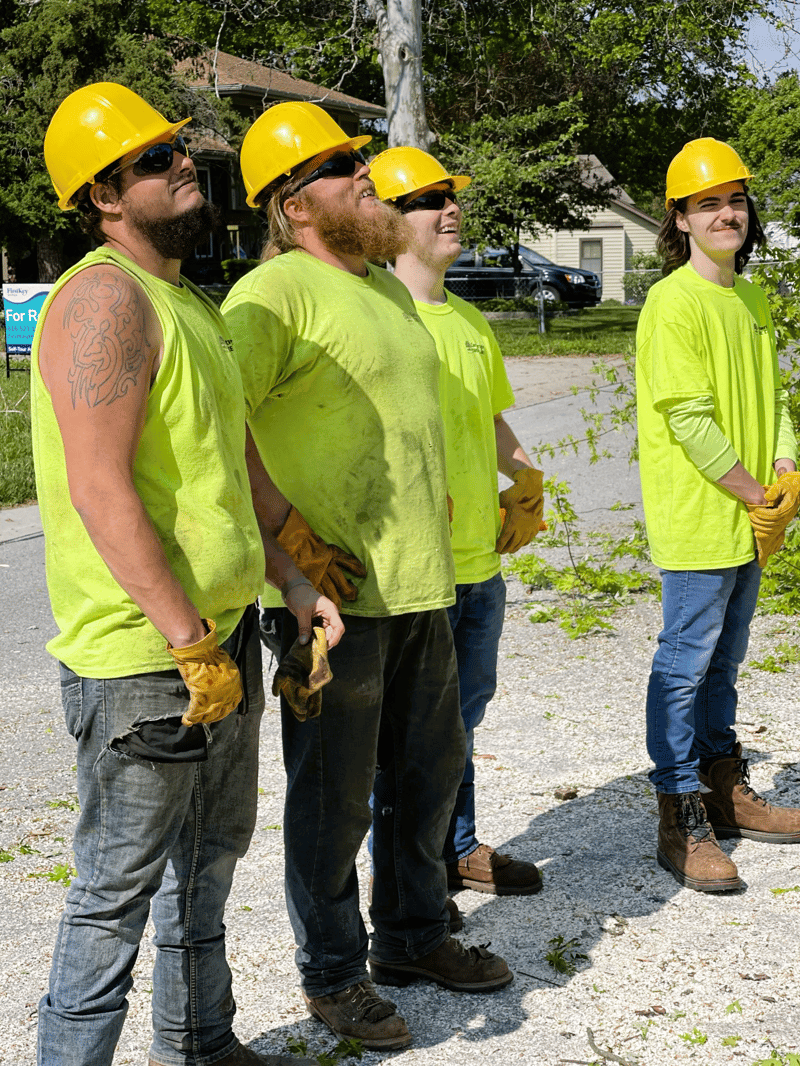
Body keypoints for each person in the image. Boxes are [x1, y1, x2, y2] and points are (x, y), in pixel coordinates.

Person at [33, 82, 343, 1066]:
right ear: (102, 196)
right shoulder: (101, 301)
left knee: (206, 869)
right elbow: (99, 488)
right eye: (153, 161)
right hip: (147, 662)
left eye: (178, 152)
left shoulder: (184, 304)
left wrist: (296, 581)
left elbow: (236, 463)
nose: (181, 167)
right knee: (114, 893)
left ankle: (202, 1044)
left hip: (223, 645)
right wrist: (185, 641)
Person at [222, 101, 513, 1052]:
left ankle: (414, 937)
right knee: (333, 800)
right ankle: (335, 976)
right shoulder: (272, 297)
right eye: (344, 166)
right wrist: (289, 541)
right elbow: (222, 432)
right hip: (335, 601)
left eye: (360, 160)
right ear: (292, 203)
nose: (366, 176)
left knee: (430, 776)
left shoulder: (384, 290)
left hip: (422, 583)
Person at [370, 146, 545, 896]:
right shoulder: (380, 317)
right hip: (420, 573)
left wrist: (527, 477)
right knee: (411, 737)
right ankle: (408, 878)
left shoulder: (470, 320)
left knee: (462, 723)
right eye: (425, 200)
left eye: (451, 197)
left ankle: (457, 844)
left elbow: (491, 419)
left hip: (481, 565)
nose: (449, 209)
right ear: (384, 219)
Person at [635, 137, 800, 894]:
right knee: (683, 666)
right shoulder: (673, 303)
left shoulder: (750, 297)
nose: (727, 213)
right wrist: (752, 492)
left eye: (734, 200)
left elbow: (773, 402)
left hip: (751, 516)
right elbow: (689, 418)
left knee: (724, 663)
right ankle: (680, 813)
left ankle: (726, 787)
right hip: (703, 517)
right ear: (680, 219)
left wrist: (788, 467)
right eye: (709, 204)